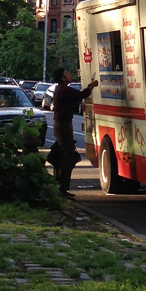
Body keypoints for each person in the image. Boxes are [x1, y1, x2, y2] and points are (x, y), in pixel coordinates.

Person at [51, 67, 98, 199]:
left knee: (65, 155)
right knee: (67, 157)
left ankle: (61, 187)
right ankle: (61, 188)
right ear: (62, 78)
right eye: (67, 73)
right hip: (62, 125)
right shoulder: (64, 89)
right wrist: (92, 85)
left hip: (62, 124)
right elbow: (81, 95)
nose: (70, 75)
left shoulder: (61, 89)